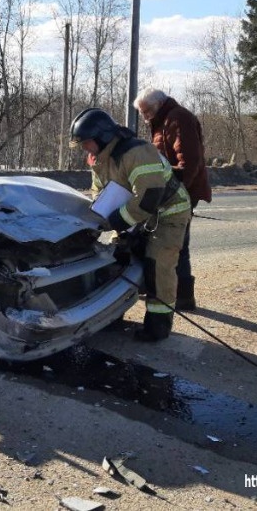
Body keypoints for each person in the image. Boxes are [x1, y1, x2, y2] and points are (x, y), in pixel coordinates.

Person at [69, 108, 192, 341]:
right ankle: (112, 316)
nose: (85, 148)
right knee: (116, 259)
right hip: (137, 215)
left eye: (87, 142)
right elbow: (100, 191)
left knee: (158, 265)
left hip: (168, 214)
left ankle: (158, 326)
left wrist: (116, 221)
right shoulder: (99, 158)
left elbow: (149, 197)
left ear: (102, 137)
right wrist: (99, 216)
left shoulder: (137, 152)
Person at [133, 88, 211, 310]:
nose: (144, 117)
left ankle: (184, 297)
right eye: (142, 113)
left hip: (180, 192)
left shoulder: (178, 118)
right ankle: (169, 291)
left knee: (176, 245)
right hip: (170, 190)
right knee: (165, 241)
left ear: (159, 104)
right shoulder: (163, 120)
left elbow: (189, 162)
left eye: (146, 111)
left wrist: (172, 192)